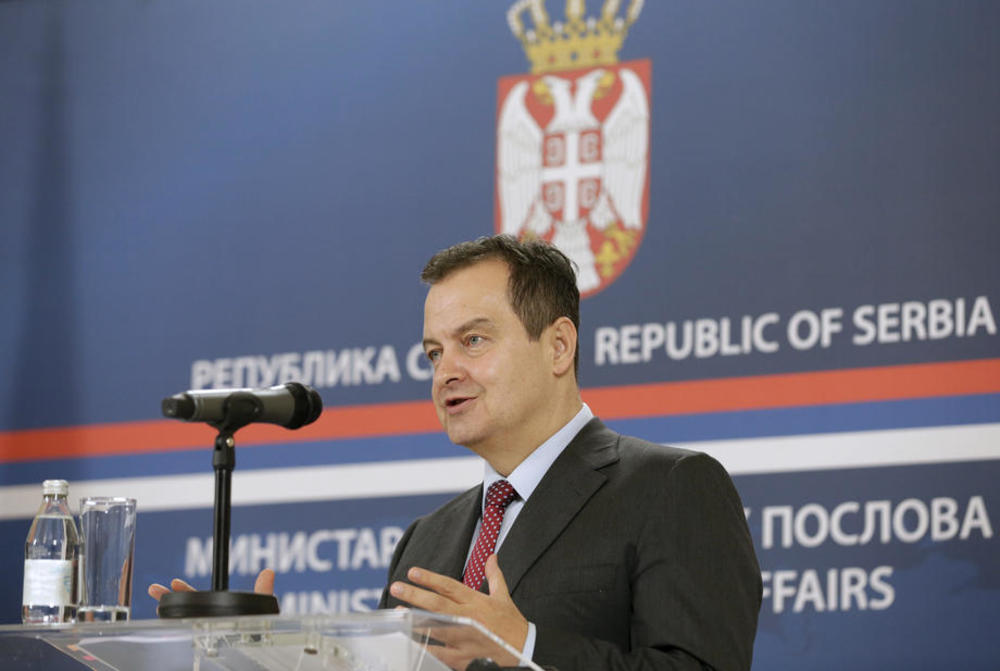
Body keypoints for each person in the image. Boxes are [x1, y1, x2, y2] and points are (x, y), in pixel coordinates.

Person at [152, 235, 762, 670]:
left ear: (558, 346)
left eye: (473, 340)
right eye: (434, 353)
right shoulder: (427, 540)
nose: (446, 371)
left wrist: (526, 646)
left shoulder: (671, 487)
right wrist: (264, 656)